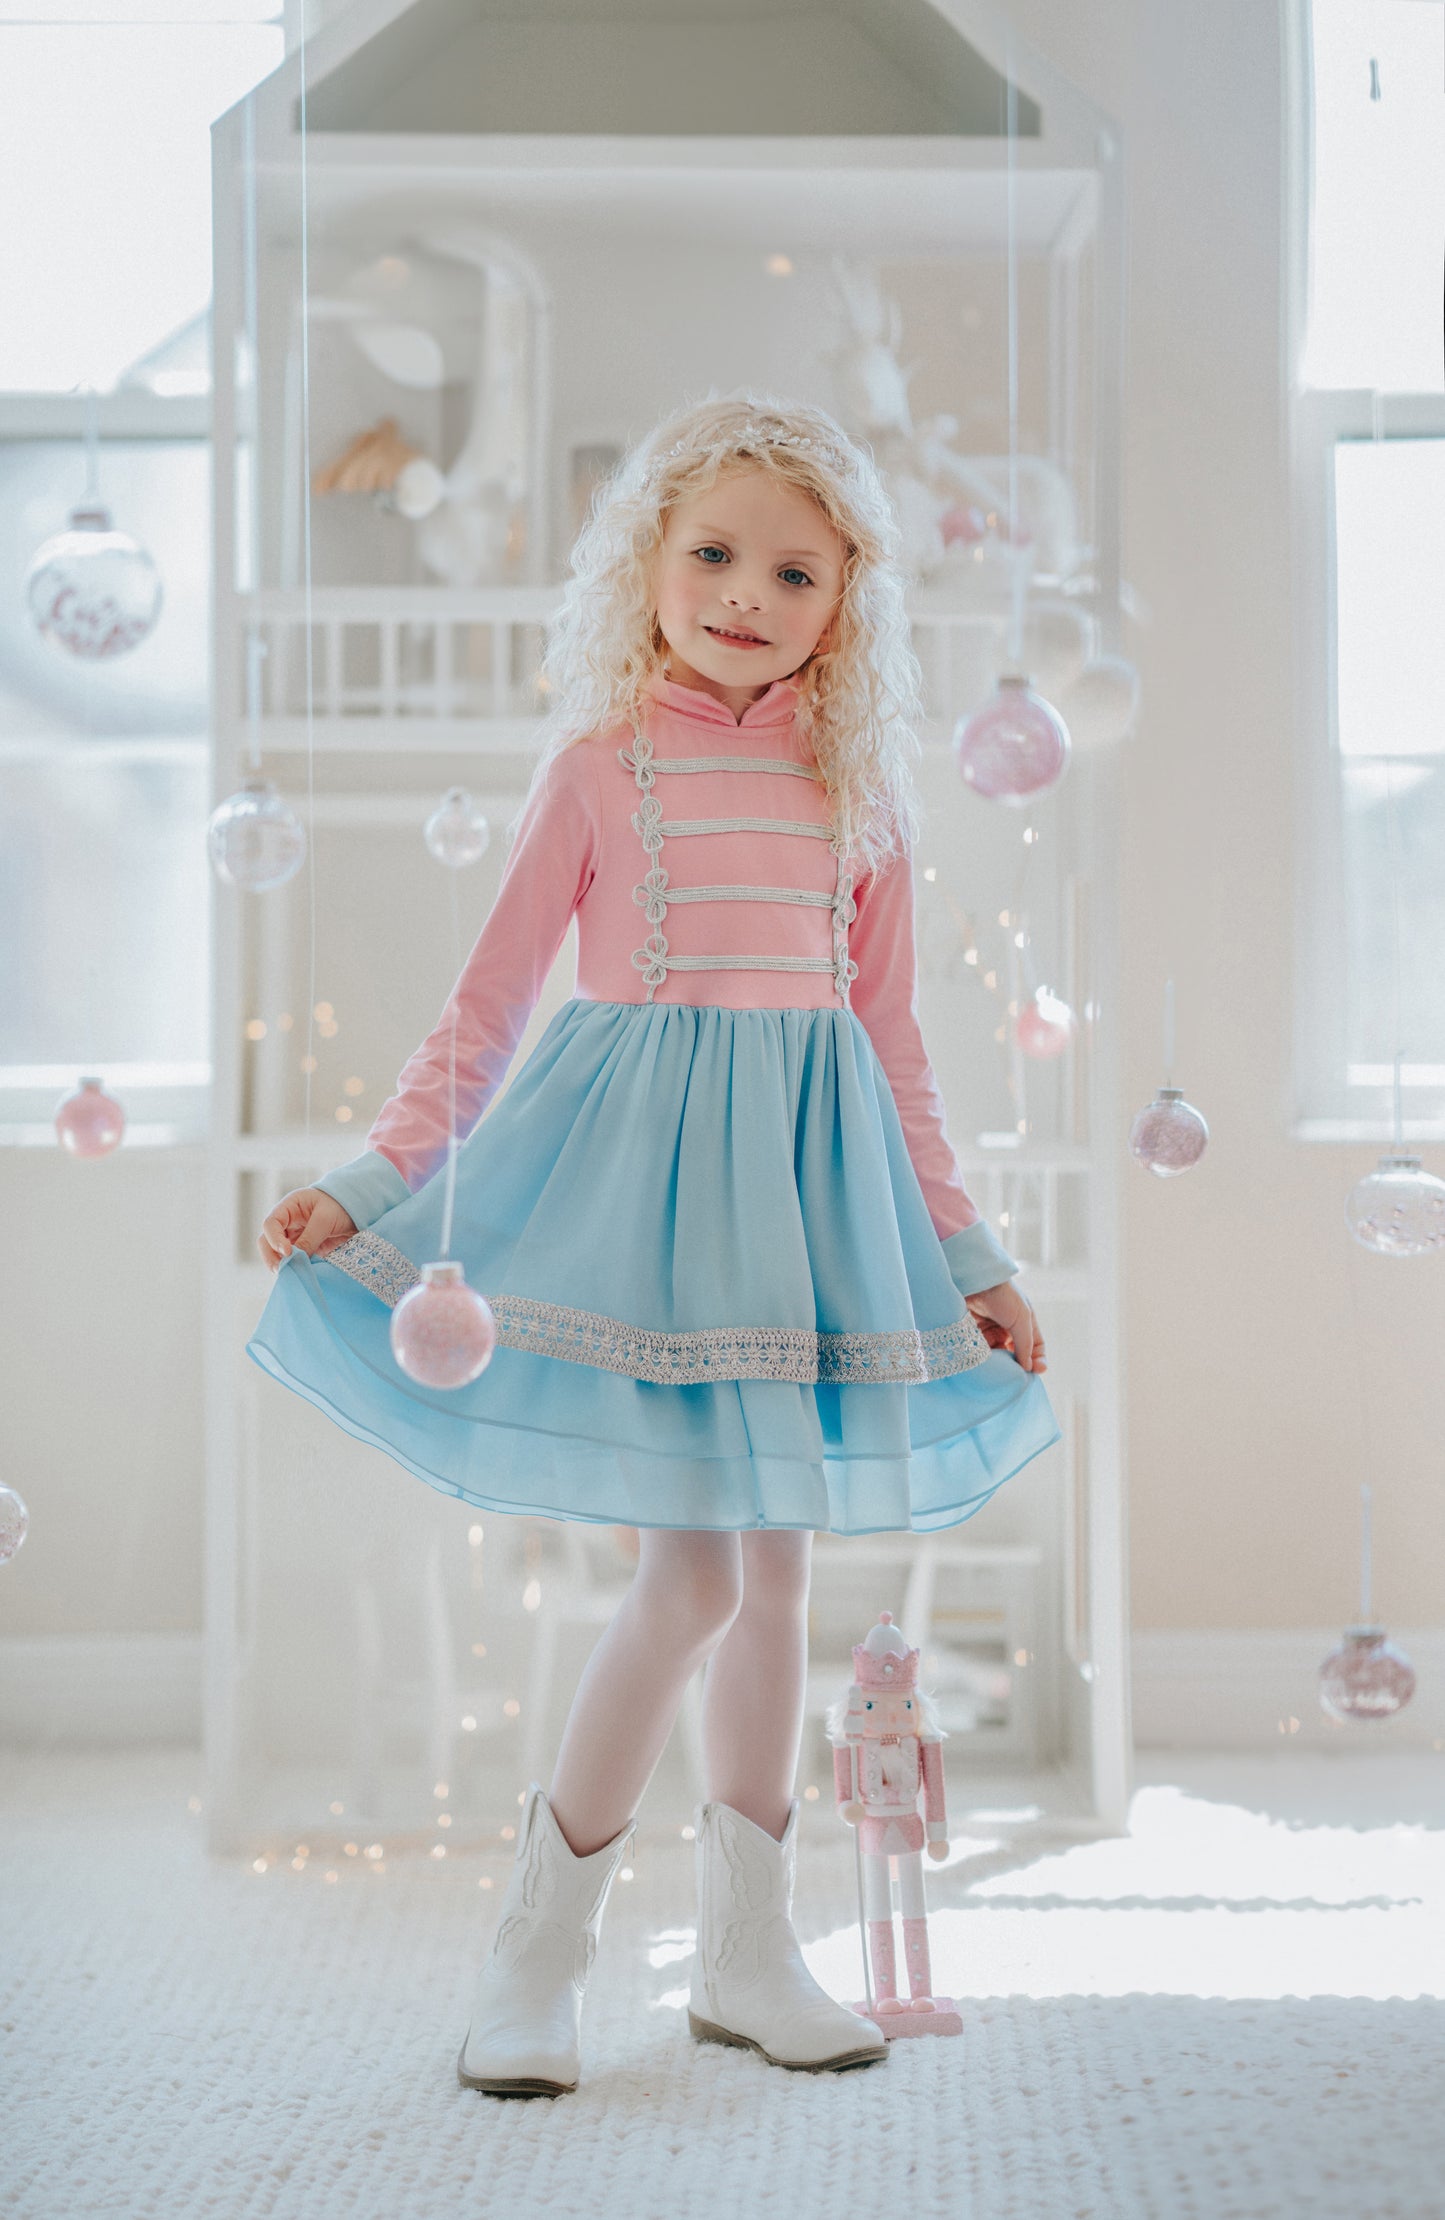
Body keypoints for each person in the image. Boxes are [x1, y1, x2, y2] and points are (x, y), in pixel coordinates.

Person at [248, 391, 1060, 2097]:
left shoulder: (867, 796)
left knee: (776, 1583)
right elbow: (481, 1016)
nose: (745, 591)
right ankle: (533, 1958)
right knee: (686, 1579)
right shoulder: (598, 770)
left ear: (847, 604)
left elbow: (895, 1047)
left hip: (808, 1218)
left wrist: (969, 1253)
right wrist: (376, 1183)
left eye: (793, 568)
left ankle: (751, 1958)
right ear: (644, 565)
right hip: (644, 1218)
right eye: (710, 552)